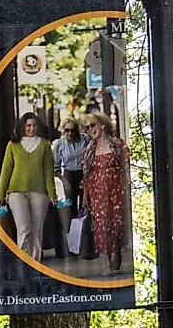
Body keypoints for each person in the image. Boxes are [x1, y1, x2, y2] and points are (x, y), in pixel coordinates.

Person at [0, 111, 58, 259]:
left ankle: (35, 263)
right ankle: (24, 262)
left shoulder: (44, 145)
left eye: (34, 126)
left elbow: (48, 172)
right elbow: (6, 170)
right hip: (16, 192)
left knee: (37, 230)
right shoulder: (13, 145)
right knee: (23, 228)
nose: (31, 128)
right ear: (23, 126)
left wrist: (52, 193)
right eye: (28, 125)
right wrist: (0, 194)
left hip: (39, 192)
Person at [81, 112, 131, 269]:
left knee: (117, 224)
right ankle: (106, 260)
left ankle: (116, 251)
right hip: (97, 193)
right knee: (102, 226)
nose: (91, 129)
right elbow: (87, 175)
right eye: (87, 127)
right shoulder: (89, 150)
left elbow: (126, 166)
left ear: (102, 125)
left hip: (116, 190)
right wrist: (85, 197)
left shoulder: (117, 145)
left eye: (93, 125)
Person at [52, 119, 85, 255]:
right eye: (67, 130)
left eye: (72, 130)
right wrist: (63, 180)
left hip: (83, 173)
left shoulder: (85, 139)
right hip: (69, 174)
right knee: (70, 210)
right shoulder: (60, 143)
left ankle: (85, 243)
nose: (70, 133)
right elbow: (55, 166)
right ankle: (72, 245)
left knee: (85, 208)